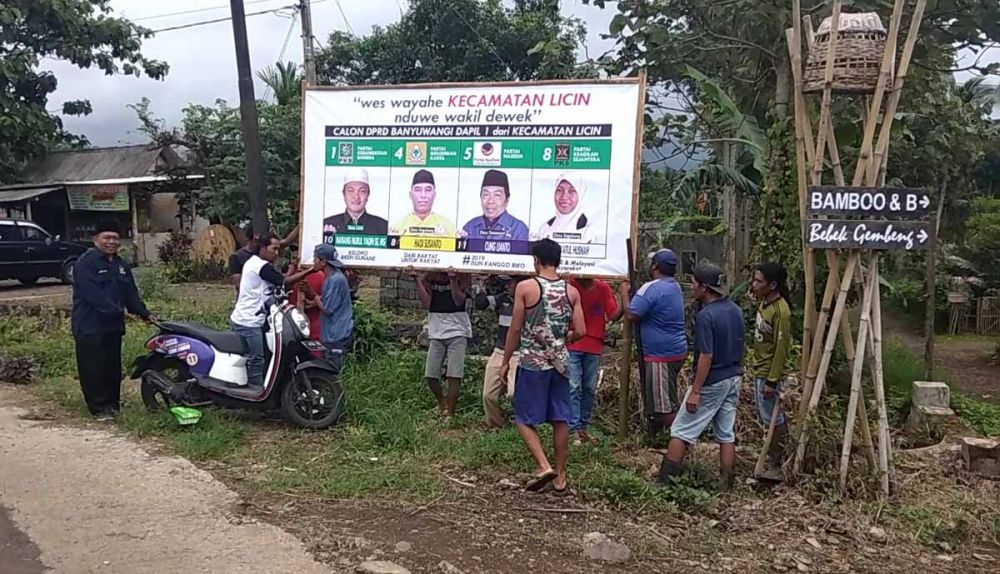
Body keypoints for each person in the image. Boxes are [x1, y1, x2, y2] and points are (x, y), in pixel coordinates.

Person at [500, 239, 586, 493]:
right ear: (558, 260)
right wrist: (561, 339)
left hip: (532, 363)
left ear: (536, 260)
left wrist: (506, 361)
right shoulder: (572, 292)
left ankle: (543, 465)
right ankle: (560, 477)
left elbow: (515, 328)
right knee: (560, 418)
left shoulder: (526, 288)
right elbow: (581, 330)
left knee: (523, 417)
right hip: (561, 364)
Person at [657, 264, 745, 491]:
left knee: (681, 430)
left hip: (712, 379)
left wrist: (696, 390)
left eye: (694, 284)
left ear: (704, 288)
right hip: (733, 376)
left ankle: (665, 483)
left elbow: (706, 355)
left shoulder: (706, 316)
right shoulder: (735, 309)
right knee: (726, 433)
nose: (692, 288)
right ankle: (727, 483)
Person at [72, 220, 154, 420]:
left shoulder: (120, 265)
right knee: (94, 368)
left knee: (112, 368)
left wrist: (144, 313)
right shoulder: (85, 264)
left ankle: (113, 405)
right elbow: (95, 297)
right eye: (106, 237)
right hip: (90, 326)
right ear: (96, 239)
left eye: (115, 238)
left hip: (113, 327)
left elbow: (130, 294)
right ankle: (99, 408)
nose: (111, 242)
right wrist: (119, 312)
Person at [230, 233, 316, 388]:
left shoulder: (258, 264)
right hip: (248, 320)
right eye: (274, 249)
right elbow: (283, 282)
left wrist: (292, 268)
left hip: (253, 317)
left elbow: (278, 279)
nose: (276, 253)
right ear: (262, 248)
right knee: (257, 358)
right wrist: (309, 271)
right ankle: (255, 392)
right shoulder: (259, 266)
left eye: (278, 249)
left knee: (260, 355)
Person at [620, 249, 688, 440]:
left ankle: (681, 443)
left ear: (655, 266)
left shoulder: (652, 287)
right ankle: (661, 439)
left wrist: (624, 294)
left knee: (664, 408)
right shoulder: (673, 285)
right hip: (673, 352)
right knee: (663, 401)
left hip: (661, 356)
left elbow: (632, 314)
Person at [566, 277, 623, 445]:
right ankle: (574, 428)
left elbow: (613, 315)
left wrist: (625, 295)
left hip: (593, 344)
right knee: (573, 386)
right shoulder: (568, 284)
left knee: (589, 388)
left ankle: (583, 427)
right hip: (573, 341)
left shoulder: (602, 287)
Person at [750, 262, 792, 482]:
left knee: (774, 418)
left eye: (759, 281)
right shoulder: (764, 304)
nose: (754, 285)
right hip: (759, 369)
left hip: (769, 374)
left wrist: (772, 381)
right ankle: (773, 456)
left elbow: (781, 349)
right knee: (767, 418)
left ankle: (778, 461)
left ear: (772, 285)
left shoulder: (781, 312)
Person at [413, 269, 472, 417]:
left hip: (457, 330)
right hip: (437, 330)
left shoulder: (463, 275)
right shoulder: (431, 276)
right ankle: (442, 403)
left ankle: (450, 413)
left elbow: (459, 300)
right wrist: (416, 280)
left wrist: (452, 281)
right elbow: (426, 303)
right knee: (431, 375)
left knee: (454, 375)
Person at [474, 274, 521, 428]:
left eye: (511, 283)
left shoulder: (532, 303)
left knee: (514, 393)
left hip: (520, 353)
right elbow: (481, 304)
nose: (507, 286)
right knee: (488, 395)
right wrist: (481, 283)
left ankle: (521, 423)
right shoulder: (503, 299)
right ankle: (497, 425)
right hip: (500, 351)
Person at [460, 170, 529, 241]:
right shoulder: (470, 227)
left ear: (507, 200)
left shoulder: (518, 229)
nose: (490, 201)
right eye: (486, 195)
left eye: (497, 195)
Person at [312, 244, 355, 357]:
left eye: (315, 258)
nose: (313, 261)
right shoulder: (331, 277)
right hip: (331, 333)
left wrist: (314, 297)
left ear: (323, 262)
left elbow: (328, 308)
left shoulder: (336, 280)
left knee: (333, 369)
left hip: (337, 334)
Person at [228, 226, 298, 293]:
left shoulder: (267, 253)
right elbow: (238, 285)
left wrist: (301, 224)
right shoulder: (241, 258)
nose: (276, 253)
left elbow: (286, 241)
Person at [323, 168, 389, 237]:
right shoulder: (328, 224)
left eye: (362, 191)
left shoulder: (383, 227)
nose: (356, 196)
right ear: (343, 194)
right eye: (351, 190)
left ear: (368, 194)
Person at [391, 169, 456, 237]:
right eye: (418, 190)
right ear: (410, 195)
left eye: (428, 190)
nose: (423, 195)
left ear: (434, 195)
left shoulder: (448, 227)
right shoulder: (397, 228)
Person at [534, 173, 593, 244]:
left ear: (580, 195)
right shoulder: (545, 228)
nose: (564, 197)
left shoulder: (588, 230)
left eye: (571, 191)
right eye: (559, 190)